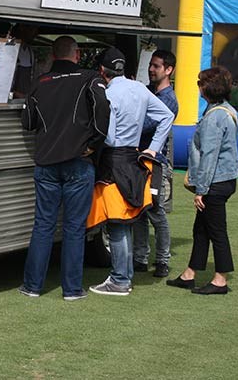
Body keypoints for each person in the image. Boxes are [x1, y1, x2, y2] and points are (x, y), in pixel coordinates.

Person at [19, 36, 110, 301]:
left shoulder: (40, 83)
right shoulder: (90, 79)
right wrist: (94, 144)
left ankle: (32, 286)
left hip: (45, 163)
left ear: (52, 55)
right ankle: (71, 290)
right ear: (77, 53)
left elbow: (27, 122)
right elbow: (104, 113)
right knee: (73, 228)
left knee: (43, 226)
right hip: (78, 163)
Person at [89, 47, 174, 297]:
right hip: (135, 160)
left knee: (117, 224)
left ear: (102, 71)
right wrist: (153, 149)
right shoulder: (139, 88)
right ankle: (122, 276)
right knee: (126, 221)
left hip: (114, 161)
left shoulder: (108, 93)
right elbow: (167, 116)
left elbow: (111, 136)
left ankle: (120, 279)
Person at [167, 66, 238, 295]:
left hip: (215, 182)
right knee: (201, 229)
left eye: (200, 83)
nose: (198, 86)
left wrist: (202, 190)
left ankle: (220, 280)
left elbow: (210, 155)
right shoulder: (227, 111)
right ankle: (190, 273)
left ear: (207, 88)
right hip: (225, 179)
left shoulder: (214, 117)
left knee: (217, 231)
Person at [133, 49, 179, 278]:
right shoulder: (149, 92)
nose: (151, 69)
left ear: (169, 70)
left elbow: (146, 125)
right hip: (141, 159)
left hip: (156, 162)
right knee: (140, 211)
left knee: (155, 211)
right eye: (150, 65)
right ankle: (140, 258)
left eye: (157, 66)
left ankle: (162, 260)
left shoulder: (168, 99)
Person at [10, 24, 39, 98]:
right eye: (32, 30)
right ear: (22, 28)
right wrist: (14, 93)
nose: (35, 33)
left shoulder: (29, 51)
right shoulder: (9, 49)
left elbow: (32, 77)